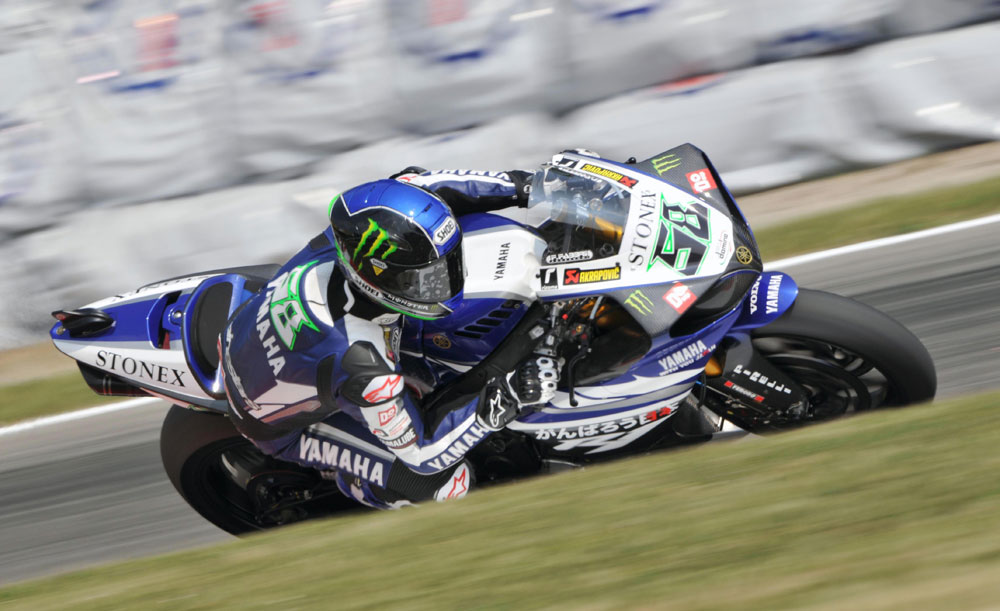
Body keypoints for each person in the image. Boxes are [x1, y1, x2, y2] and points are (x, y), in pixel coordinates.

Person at [219, 167, 559, 509]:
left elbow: (423, 187)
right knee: (447, 486)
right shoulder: (362, 362)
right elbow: (422, 453)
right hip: (276, 423)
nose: (442, 283)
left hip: (255, 333)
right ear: (374, 276)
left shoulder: (357, 231)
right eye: (423, 279)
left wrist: (528, 186)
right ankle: (358, 483)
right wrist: (509, 395)